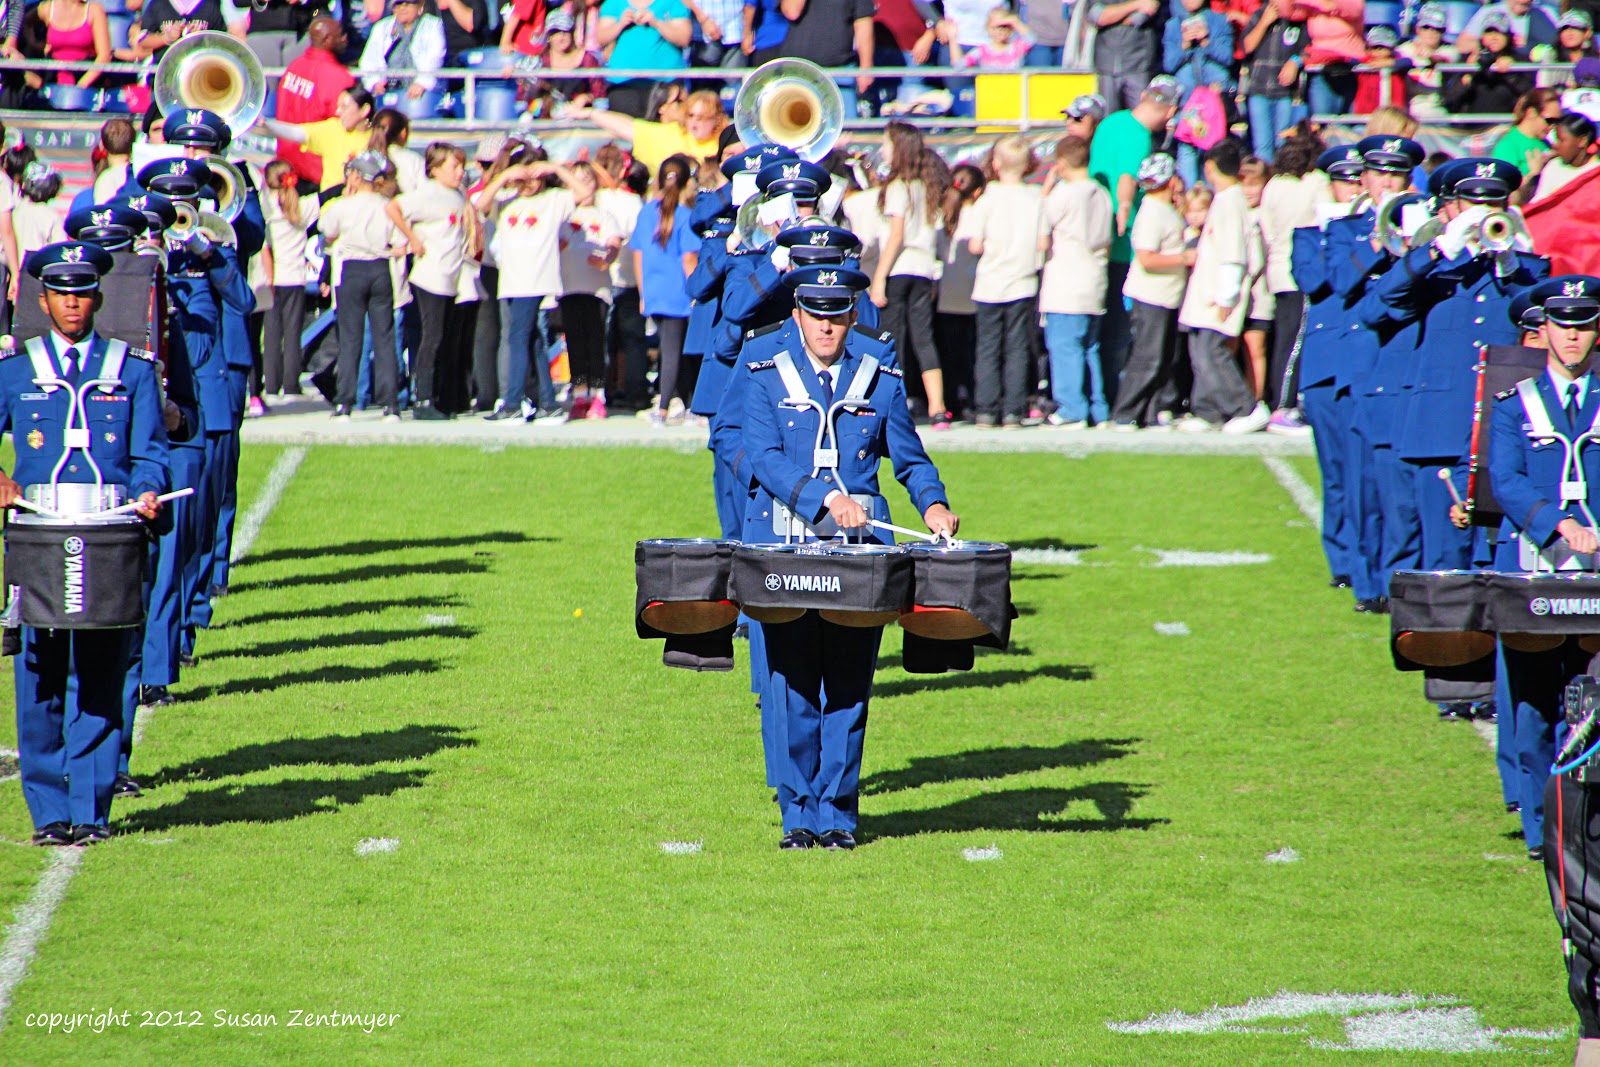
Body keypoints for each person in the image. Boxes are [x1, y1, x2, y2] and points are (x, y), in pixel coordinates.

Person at [740, 263, 956, 850]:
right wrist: (825, 498)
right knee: (793, 684)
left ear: (852, 317)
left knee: (849, 684)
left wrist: (933, 505)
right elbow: (761, 456)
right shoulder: (766, 373)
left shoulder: (879, 377)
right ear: (797, 317)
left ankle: (838, 815)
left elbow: (910, 459)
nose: (827, 327)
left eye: (837, 316)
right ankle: (798, 815)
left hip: (859, 559)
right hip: (788, 550)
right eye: (816, 315)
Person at [2, 240, 168, 845]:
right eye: (61, 294)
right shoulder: (17, 369)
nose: (73, 303)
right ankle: (48, 810)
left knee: (101, 670)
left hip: (110, 537)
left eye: (82, 293)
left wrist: (148, 492)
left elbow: (151, 454)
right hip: (37, 539)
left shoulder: (132, 369)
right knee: (40, 672)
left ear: (98, 298)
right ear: (44, 302)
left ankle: (92, 808)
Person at [1359, 155, 1549, 580]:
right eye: (1470, 203)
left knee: (1507, 565)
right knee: (1445, 568)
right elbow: (1376, 310)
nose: (1483, 212)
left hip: (1508, 430)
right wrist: (1441, 248)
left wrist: (1513, 262)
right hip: (1441, 432)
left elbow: (1545, 321)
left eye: (1494, 202)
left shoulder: (1525, 269)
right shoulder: (1429, 264)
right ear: (1447, 207)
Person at [1490, 276, 1600, 864]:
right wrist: (1558, 524)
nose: (1574, 338)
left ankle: (1583, 822)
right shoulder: (1517, 404)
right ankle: (1540, 829)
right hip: (1534, 563)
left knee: (1591, 698)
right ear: (1546, 331)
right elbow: (1505, 479)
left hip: (1598, 568)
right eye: (1564, 326)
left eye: (1584, 326)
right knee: (1532, 703)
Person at [1089, 75, 1182, 410]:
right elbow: (1127, 180)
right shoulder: (1141, 137)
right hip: (1126, 243)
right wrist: (1125, 211)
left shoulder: (1112, 122)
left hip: (1097, 236)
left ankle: (1102, 398)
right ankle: (1119, 401)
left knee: (1099, 331)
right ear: (1170, 111)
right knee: (1119, 331)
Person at [1176, 138, 1268, 433]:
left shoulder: (1231, 202)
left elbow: (1234, 254)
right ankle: (1207, 410)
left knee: (1211, 353)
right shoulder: (1226, 199)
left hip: (1218, 295)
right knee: (1200, 352)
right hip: (1207, 294)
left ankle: (1246, 407)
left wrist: (1227, 297)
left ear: (1210, 168)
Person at [387, 142, 473, 419]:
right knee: (431, 337)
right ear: (435, 170)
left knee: (445, 339)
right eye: (453, 166)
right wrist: (412, 238)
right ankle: (422, 400)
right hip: (430, 276)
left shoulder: (457, 194)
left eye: (462, 166)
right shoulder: (429, 194)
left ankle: (441, 397)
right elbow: (393, 207)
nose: (460, 172)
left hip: (451, 277)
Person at [871, 121, 947, 425]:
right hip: (924, 270)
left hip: (900, 269)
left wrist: (879, 277)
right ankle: (937, 407)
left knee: (892, 338)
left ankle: (895, 403)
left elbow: (896, 235)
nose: (881, 150)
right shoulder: (924, 186)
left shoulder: (898, 187)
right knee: (923, 338)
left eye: (886, 144)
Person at [967, 133, 1043, 428]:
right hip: (1023, 282)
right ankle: (1014, 409)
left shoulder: (987, 198)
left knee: (987, 347)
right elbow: (1043, 241)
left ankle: (986, 408)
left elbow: (975, 245)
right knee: (1018, 347)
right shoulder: (1035, 198)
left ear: (996, 164)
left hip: (990, 283)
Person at [322, 151, 404, 419]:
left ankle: (344, 402)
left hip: (353, 268)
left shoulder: (342, 206)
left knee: (350, 338)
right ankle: (390, 403)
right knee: (384, 337)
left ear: (356, 177)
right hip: (380, 268)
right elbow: (398, 242)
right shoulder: (386, 204)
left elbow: (328, 234)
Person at [1039, 134, 1113, 430]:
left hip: (1066, 285)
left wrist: (1045, 192)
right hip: (1094, 281)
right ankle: (1098, 409)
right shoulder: (1102, 194)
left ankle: (1071, 409)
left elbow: (1042, 237)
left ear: (1060, 165)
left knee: (1064, 347)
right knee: (1089, 349)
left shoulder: (1063, 194)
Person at [1111, 153, 1187, 429]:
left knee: (1163, 357)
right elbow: (1147, 258)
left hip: (1165, 297)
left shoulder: (1164, 209)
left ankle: (1150, 411)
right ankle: (1125, 412)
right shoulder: (1152, 212)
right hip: (1150, 297)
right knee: (1148, 357)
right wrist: (1185, 258)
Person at [632, 154, 698, 425]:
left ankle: (681, 403)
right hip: (678, 292)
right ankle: (663, 409)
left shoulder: (647, 212)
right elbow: (689, 259)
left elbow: (638, 254)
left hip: (655, 291)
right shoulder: (685, 216)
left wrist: (642, 294)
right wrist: (696, 292)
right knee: (673, 352)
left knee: (669, 349)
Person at [557, 161, 623, 420]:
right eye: (578, 179)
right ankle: (579, 394)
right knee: (574, 342)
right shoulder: (563, 216)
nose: (584, 184)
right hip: (569, 287)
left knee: (596, 341)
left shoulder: (604, 215)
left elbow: (614, 243)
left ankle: (598, 395)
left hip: (596, 290)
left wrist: (607, 257)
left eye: (588, 179)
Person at [274, 16, 355, 189]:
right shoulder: (339, 77)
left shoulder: (294, 67)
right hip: (317, 172)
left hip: (288, 164)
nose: (344, 38)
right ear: (327, 39)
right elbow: (347, 124)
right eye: (340, 35)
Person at [261, 160, 318, 398]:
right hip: (295, 277)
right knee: (293, 333)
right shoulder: (302, 206)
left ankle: (272, 385)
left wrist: (270, 279)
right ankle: (291, 383)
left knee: (272, 334)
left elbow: (266, 248)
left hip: (272, 278)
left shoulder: (265, 207)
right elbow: (327, 194)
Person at [258, 86, 378, 194]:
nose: (337, 112)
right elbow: (297, 133)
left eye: (344, 107)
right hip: (330, 208)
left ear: (364, 110)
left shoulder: (378, 137)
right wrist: (266, 125)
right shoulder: (334, 128)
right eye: (338, 107)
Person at [569, 90, 726, 173]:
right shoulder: (672, 134)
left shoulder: (725, 144)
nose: (694, 123)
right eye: (691, 116)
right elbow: (628, 127)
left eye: (702, 117)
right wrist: (591, 113)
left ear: (716, 119)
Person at [775, 0, 875, 114]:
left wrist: (865, 68)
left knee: (847, 127)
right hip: (798, 72)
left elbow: (863, 23)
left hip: (840, 72)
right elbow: (792, 12)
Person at [596, 0, 692, 118]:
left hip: (665, 85)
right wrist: (621, 23)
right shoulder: (613, 3)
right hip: (623, 84)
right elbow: (601, 38)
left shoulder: (673, 3)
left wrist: (656, 22)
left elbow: (684, 38)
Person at [1240, 0, 1305, 162]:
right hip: (1259, 91)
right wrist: (1264, 22)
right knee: (1262, 146)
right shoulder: (1259, 15)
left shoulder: (1297, 19)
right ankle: (1266, 183)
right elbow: (1246, 46)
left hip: (1285, 93)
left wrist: (1295, 62)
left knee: (1283, 144)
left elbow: (1308, 49)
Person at [1447, 13, 1534, 115]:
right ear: (1482, 37)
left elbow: (1529, 94)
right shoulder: (1467, 60)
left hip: (1504, 125)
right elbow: (1451, 99)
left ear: (1507, 36)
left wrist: (1511, 73)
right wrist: (1468, 73)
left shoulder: (1520, 60)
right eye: (1489, 32)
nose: (1493, 37)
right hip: (1469, 126)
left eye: (1498, 32)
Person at [359, 0, 446, 103]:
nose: (402, 8)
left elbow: (435, 58)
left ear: (419, 5)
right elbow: (369, 61)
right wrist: (375, 82)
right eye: (398, 4)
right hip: (389, 92)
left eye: (408, 4)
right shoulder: (381, 27)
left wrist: (422, 83)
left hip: (424, 93)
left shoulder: (433, 25)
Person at [1088, 0, 1163, 109]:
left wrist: (1111, 16)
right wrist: (1136, 4)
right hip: (1106, 64)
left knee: (1139, 118)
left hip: (1138, 63)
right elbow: (1098, 17)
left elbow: (1140, 17)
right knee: (1108, 120)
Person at [1524, 113, 1600, 204]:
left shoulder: (1595, 173)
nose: (1556, 145)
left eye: (1561, 140)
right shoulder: (1553, 166)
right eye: (1556, 140)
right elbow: (1539, 203)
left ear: (1582, 141)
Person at [1399, 2, 1457, 119]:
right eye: (1426, 27)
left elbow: (1443, 60)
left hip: (1435, 107)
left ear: (1443, 31)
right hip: (1407, 108)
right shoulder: (1404, 49)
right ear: (1417, 29)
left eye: (1436, 29)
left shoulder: (1450, 50)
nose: (1431, 32)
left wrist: (1430, 57)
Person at [38, 0, 110, 88]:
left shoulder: (95, 11)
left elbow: (104, 56)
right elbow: (26, 25)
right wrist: (38, 44)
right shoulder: (46, 9)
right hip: (54, 80)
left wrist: (80, 87)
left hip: (84, 79)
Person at [1493, 89, 1566, 175]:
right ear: (1531, 113)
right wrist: (1533, 173)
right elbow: (1506, 186)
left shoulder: (1545, 143)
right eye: (1549, 120)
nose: (1552, 126)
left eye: (1557, 121)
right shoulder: (1508, 146)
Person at [1456, 0, 1557, 57]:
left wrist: (1530, 44)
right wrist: (1492, 44)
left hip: (1528, 72)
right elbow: (1462, 45)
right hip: (1496, 70)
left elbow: (1557, 45)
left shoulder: (1545, 13)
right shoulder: (1489, 11)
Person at [950, 7, 1032, 68]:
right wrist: (952, 38)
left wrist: (1014, 21)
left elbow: (1031, 40)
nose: (999, 31)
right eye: (994, 28)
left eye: (1004, 27)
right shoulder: (982, 51)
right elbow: (959, 65)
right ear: (988, 29)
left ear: (1011, 29)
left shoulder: (1016, 47)